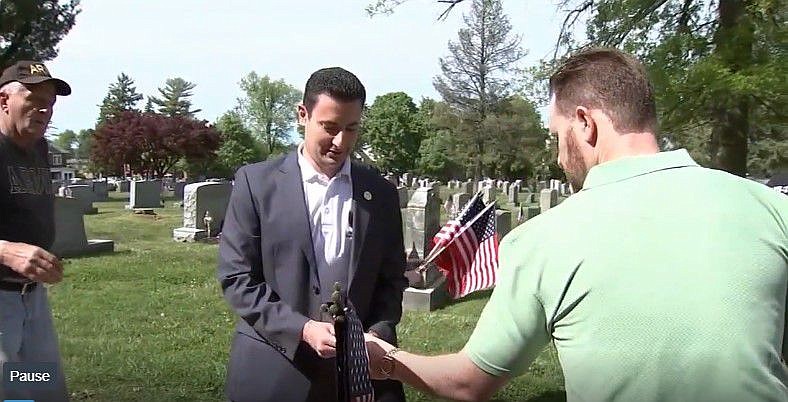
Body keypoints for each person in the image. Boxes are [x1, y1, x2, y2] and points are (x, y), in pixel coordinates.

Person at [364, 47, 788, 402]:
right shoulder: (769, 207)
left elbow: (469, 381)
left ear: (585, 123)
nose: (557, 156)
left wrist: (383, 359)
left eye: (556, 135)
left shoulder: (542, 240)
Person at [217, 67, 407, 402]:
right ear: (303, 115)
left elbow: (391, 280)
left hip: (362, 377)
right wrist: (301, 328)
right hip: (274, 371)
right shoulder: (255, 184)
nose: (341, 142)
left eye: (352, 129)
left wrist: (378, 332)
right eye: (330, 127)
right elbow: (237, 278)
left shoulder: (381, 193)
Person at [0, 60, 72, 402]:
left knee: (43, 389)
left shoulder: (39, 148)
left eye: (51, 103)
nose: (45, 109)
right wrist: (5, 250)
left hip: (32, 299)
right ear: (4, 101)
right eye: (33, 99)